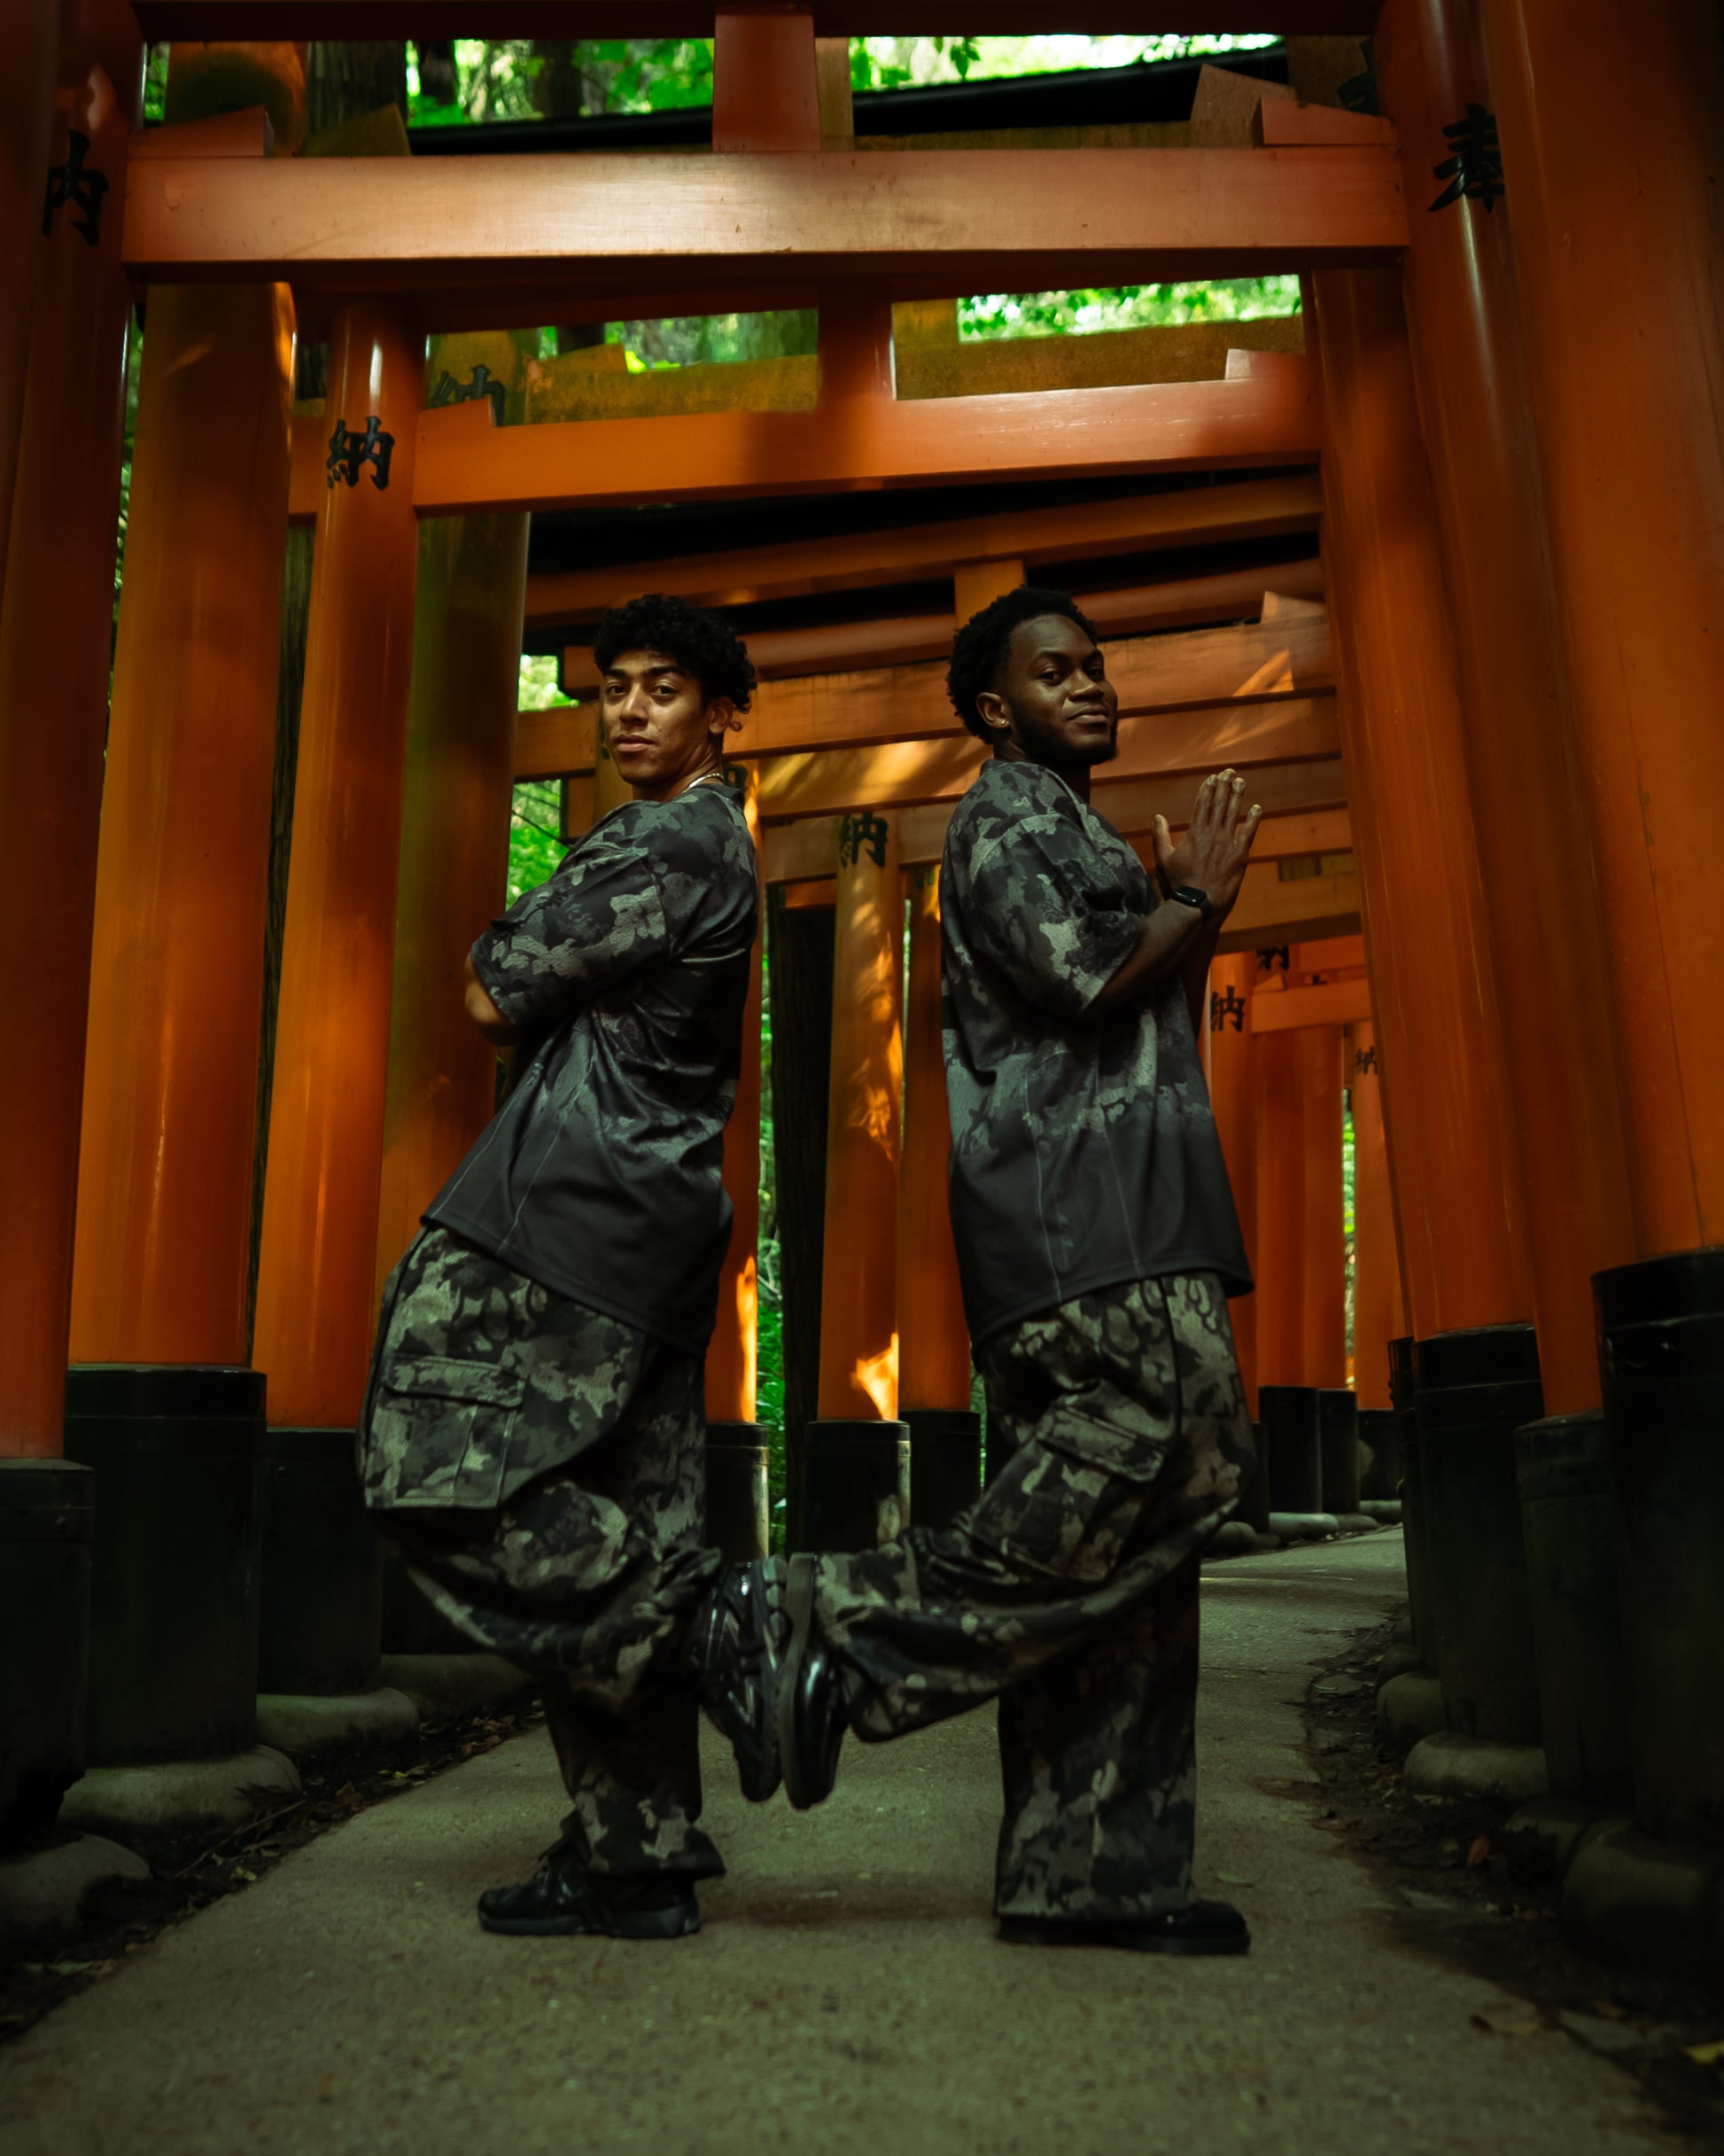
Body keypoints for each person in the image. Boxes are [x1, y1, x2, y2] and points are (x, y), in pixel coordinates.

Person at [743, 585, 1264, 1955]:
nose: (1090, 685)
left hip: (1120, 1207)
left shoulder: (1073, 826)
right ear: (993, 708)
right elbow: (1087, 979)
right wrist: (1188, 900)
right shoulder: (1010, 815)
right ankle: (826, 1619)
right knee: (1181, 1448)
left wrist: (1186, 915)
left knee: (1131, 1555)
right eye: (1054, 672)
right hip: (1086, 1220)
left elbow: (1138, 1001)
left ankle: (1089, 1871)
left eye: (1095, 666)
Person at [360, 594, 781, 1944]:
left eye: (664, 687)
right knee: (617, 1520)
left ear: (722, 713)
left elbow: (491, 990)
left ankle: (714, 1624)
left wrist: (526, 953)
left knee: (426, 1465)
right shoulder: (716, 845)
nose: (629, 709)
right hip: (652, 1233)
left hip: (565, 1218)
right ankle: (634, 1856)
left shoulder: (667, 838)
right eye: (614, 687)